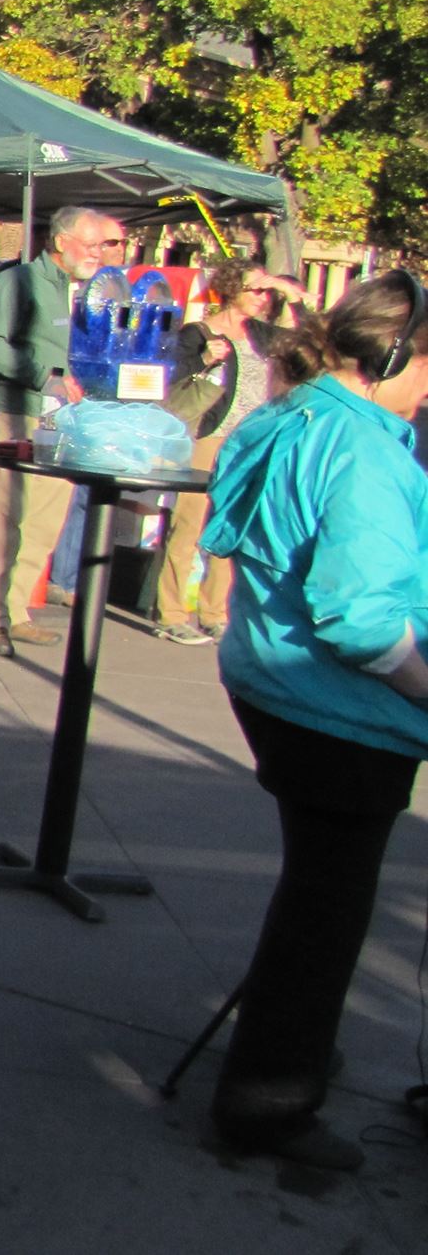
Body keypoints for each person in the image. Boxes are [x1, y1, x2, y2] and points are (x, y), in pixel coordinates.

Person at [200, 274, 428, 1172]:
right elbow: (359, 620)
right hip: (334, 712)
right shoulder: (363, 450)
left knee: (315, 900)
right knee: (326, 913)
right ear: (396, 356)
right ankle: (269, 1102)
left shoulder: (301, 412)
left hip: (275, 682)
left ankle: (285, 1050)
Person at [0, 205, 128, 655]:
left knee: (44, 522)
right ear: (60, 242)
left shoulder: (100, 291)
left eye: (105, 245)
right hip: (18, 413)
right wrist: (43, 376)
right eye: (91, 244)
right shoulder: (18, 282)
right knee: (4, 518)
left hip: (67, 420)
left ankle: (17, 612)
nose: (99, 253)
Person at [153, 261, 306, 645]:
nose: (262, 297)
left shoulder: (260, 334)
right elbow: (168, 373)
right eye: (255, 289)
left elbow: (303, 342)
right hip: (209, 435)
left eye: (265, 291)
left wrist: (287, 293)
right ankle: (170, 612)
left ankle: (214, 611)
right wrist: (206, 358)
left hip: (247, 441)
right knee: (188, 523)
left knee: (229, 524)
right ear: (230, 289)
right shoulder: (199, 332)